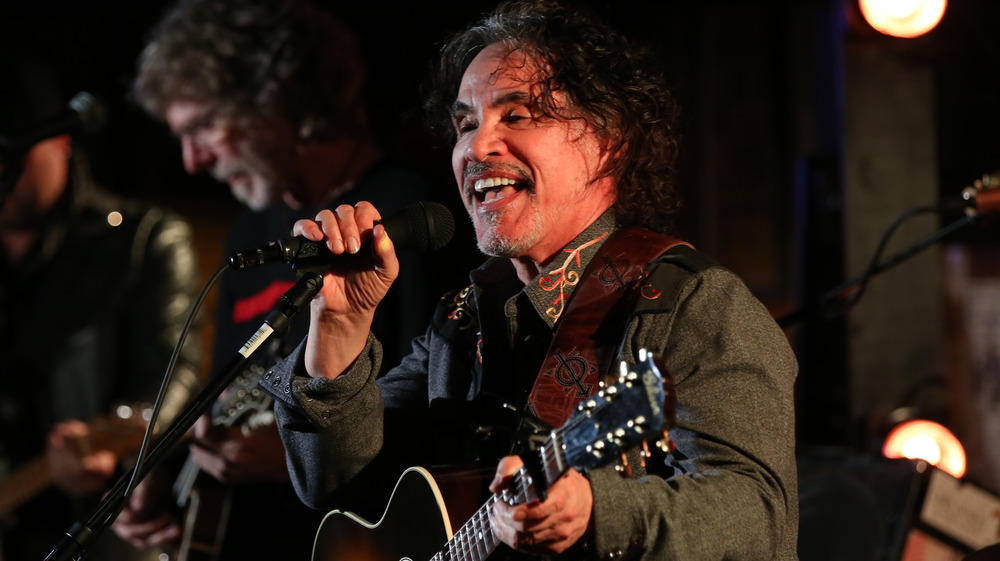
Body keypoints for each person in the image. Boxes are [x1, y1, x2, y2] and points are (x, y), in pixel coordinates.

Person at [262, 1, 800, 560]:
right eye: (465, 123)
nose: (476, 146)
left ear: (609, 140)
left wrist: (598, 510)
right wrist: (341, 326)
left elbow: (757, 518)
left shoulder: (696, 305)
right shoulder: (463, 319)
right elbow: (338, 488)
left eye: (515, 116)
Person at [112, 0, 467, 559]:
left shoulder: (412, 215)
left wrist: (297, 453)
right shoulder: (249, 234)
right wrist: (169, 475)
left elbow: (435, 411)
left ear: (275, 98)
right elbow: (230, 393)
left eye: (204, 127)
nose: (192, 161)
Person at [0, 54, 200, 561]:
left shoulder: (144, 241)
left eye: (13, 158)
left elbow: (173, 385)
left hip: (99, 531)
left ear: (62, 143)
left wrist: (110, 446)